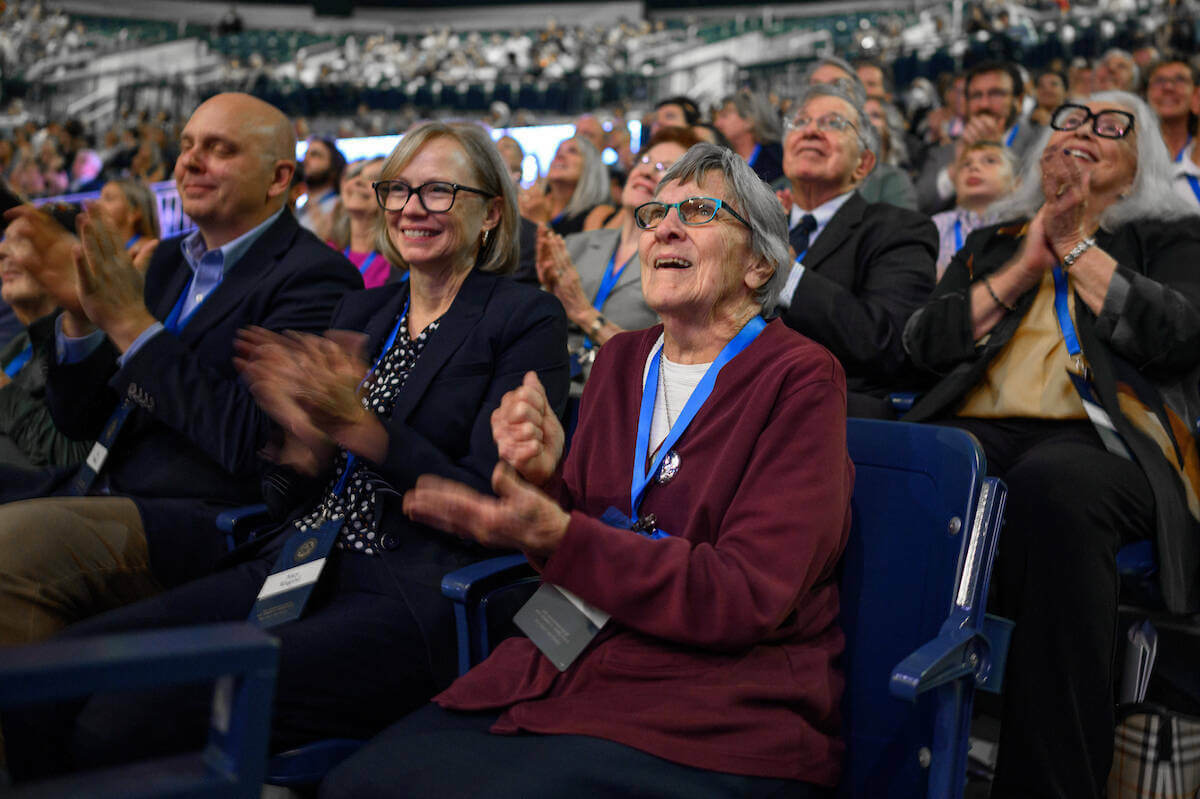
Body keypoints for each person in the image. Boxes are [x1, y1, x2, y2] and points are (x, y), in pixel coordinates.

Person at [4, 121, 570, 779]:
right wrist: (298, 445)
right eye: (398, 189)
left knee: (121, 713)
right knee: (48, 676)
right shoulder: (365, 308)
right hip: (297, 559)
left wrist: (362, 428)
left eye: (439, 191)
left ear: (491, 213)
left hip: (407, 590)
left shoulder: (522, 316)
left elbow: (489, 503)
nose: (411, 207)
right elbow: (280, 490)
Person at [322, 142, 853, 799]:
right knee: (360, 783)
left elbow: (745, 595)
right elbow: (580, 534)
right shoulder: (623, 360)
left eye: (699, 210)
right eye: (655, 211)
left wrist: (554, 532)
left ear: (760, 263)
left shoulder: (801, 376)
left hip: (718, 703)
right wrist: (542, 481)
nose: (663, 226)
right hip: (569, 661)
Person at [902, 93, 1200, 798]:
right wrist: (1025, 264)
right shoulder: (994, 241)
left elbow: (1178, 334)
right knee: (906, 471)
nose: (1083, 132)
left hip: (1107, 444)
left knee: (1054, 488)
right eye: (1069, 121)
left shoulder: (1171, 235)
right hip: (977, 431)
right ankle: (883, 752)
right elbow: (919, 345)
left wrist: (1076, 247)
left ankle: (1051, 782)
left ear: (1138, 167)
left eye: (1110, 127)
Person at [0, 93, 362, 646]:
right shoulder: (169, 261)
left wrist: (128, 323)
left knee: (11, 548)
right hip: (100, 487)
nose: (190, 161)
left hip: (206, 521)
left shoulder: (317, 279)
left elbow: (254, 445)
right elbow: (79, 420)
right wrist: (79, 315)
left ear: (278, 177)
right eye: (188, 145)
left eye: (219, 150)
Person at [776, 83, 937, 416]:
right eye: (800, 122)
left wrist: (786, 276)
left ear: (863, 164)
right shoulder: (756, 229)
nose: (810, 132)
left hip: (830, 411)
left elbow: (889, 343)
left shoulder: (899, 229)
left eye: (833, 123)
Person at [537, 126, 700, 387]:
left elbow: (669, 359)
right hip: (554, 387)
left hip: (621, 395)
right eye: (645, 161)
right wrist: (544, 296)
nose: (646, 170)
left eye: (663, 167)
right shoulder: (575, 244)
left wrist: (586, 315)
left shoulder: (676, 262)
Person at [0, 213, 94, 469]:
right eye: (4, 241)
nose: (2, 252)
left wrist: (5, 393)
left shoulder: (91, 345)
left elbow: (75, 460)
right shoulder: (18, 346)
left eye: (22, 241)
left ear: (73, 255)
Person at [916, 61, 1041, 214]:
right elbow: (918, 205)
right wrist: (958, 166)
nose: (984, 104)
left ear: (1019, 101)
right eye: (976, 96)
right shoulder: (943, 152)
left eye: (996, 93)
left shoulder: (1042, 144)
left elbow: (1039, 201)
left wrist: (999, 154)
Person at [930, 141, 1019, 277]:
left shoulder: (1023, 228)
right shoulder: (937, 226)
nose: (974, 167)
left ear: (1016, 184)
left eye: (990, 161)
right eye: (966, 164)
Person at [519, 135, 609, 236]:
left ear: (590, 167)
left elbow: (582, 251)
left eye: (572, 151)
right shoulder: (532, 203)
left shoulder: (597, 214)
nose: (560, 155)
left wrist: (540, 222)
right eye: (557, 151)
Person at [328, 157, 393, 288]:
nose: (358, 182)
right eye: (355, 175)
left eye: (373, 178)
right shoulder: (327, 250)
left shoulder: (396, 265)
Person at [713, 89, 785, 184]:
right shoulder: (720, 160)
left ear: (749, 120)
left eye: (724, 116)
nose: (717, 123)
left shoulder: (776, 160)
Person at [859, 96, 918, 209]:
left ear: (889, 127)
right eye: (861, 115)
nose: (867, 120)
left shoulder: (898, 178)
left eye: (875, 115)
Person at [91, 178, 162, 252]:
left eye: (109, 199)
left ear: (134, 212)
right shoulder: (105, 248)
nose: (97, 203)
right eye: (99, 198)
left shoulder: (147, 250)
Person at [297, 137, 346, 238]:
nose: (305, 160)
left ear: (334, 168)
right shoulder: (300, 207)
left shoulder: (341, 207)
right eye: (305, 154)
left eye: (315, 155)